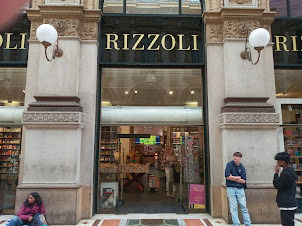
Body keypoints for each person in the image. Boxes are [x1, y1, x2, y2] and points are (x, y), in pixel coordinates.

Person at [225, 152, 252, 226]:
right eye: (234, 156)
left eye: (237, 156)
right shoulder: (229, 165)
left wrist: (233, 177)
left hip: (240, 188)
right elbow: (227, 176)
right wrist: (238, 177)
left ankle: (248, 223)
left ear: (240, 158)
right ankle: (236, 223)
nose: (235, 158)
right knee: (233, 207)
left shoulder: (242, 167)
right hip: (230, 188)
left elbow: (243, 180)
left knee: (243, 206)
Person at [273, 152, 298, 226]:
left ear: (283, 162)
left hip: (287, 204)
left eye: (278, 161)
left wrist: (276, 174)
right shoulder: (289, 172)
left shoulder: (286, 174)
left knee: (287, 223)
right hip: (289, 202)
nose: (277, 163)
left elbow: (277, 185)